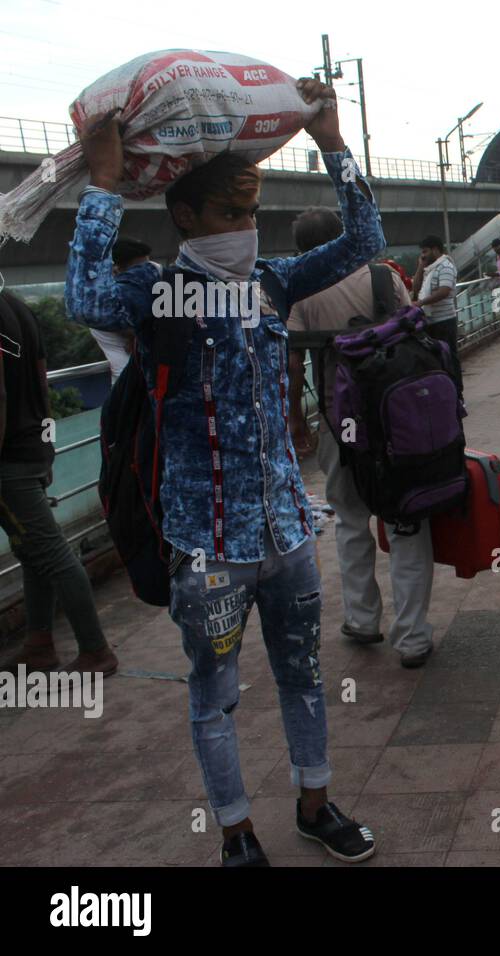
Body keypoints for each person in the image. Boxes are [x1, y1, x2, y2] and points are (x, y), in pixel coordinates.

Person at [67, 80, 379, 867]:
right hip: (207, 551)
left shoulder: (273, 283)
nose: (246, 227)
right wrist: (102, 185)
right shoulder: (158, 292)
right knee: (215, 698)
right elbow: (83, 294)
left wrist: (333, 142)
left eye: (252, 213)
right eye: (230, 213)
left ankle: (315, 804)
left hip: (288, 534)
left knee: (304, 678)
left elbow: (361, 239)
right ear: (185, 219)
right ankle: (236, 833)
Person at [284, 209, 440, 671]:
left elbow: (292, 364)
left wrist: (296, 420)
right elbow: (418, 332)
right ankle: (412, 637)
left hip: (338, 421)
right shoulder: (384, 278)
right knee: (406, 519)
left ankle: (361, 618)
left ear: (304, 250)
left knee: (351, 518)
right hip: (397, 421)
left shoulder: (301, 291)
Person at [0, 290, 117, 676]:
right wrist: (47, 445)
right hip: (31, 446)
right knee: (32, 551)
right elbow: (40, 375)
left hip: (9, 460)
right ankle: (39, 644)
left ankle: (96, 651)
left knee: (50, 554)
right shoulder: (15, 305)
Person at [89, 238, 153, 384]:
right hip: (130, 385)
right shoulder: (105, 302)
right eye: (140, 271)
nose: (148, 275)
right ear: (116, 270)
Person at [413, 234, 460, 363]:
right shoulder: (428, 269)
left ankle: (455, 383)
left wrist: (421, 302)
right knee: (437, 359)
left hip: (445, 321)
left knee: (449, 357)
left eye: (425, 251)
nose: (423, 255)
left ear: (435, 250)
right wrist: (420, 267)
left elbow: (444, 291)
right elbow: (415, 288)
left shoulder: (446, 266)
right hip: (430, 321)